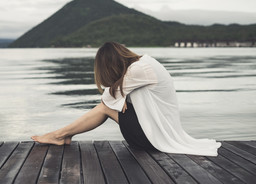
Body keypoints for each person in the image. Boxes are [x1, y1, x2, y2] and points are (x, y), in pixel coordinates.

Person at [32, 42, 221, 156]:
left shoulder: (139, 70)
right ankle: (62, 135)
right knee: (106, 106)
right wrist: (121, 98)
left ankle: (59, 135)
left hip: (149, 139)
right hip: (155, 132)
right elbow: (117, 94)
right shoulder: (144, 63)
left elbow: (107, 97)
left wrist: (118, 98)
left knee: (103, 108)